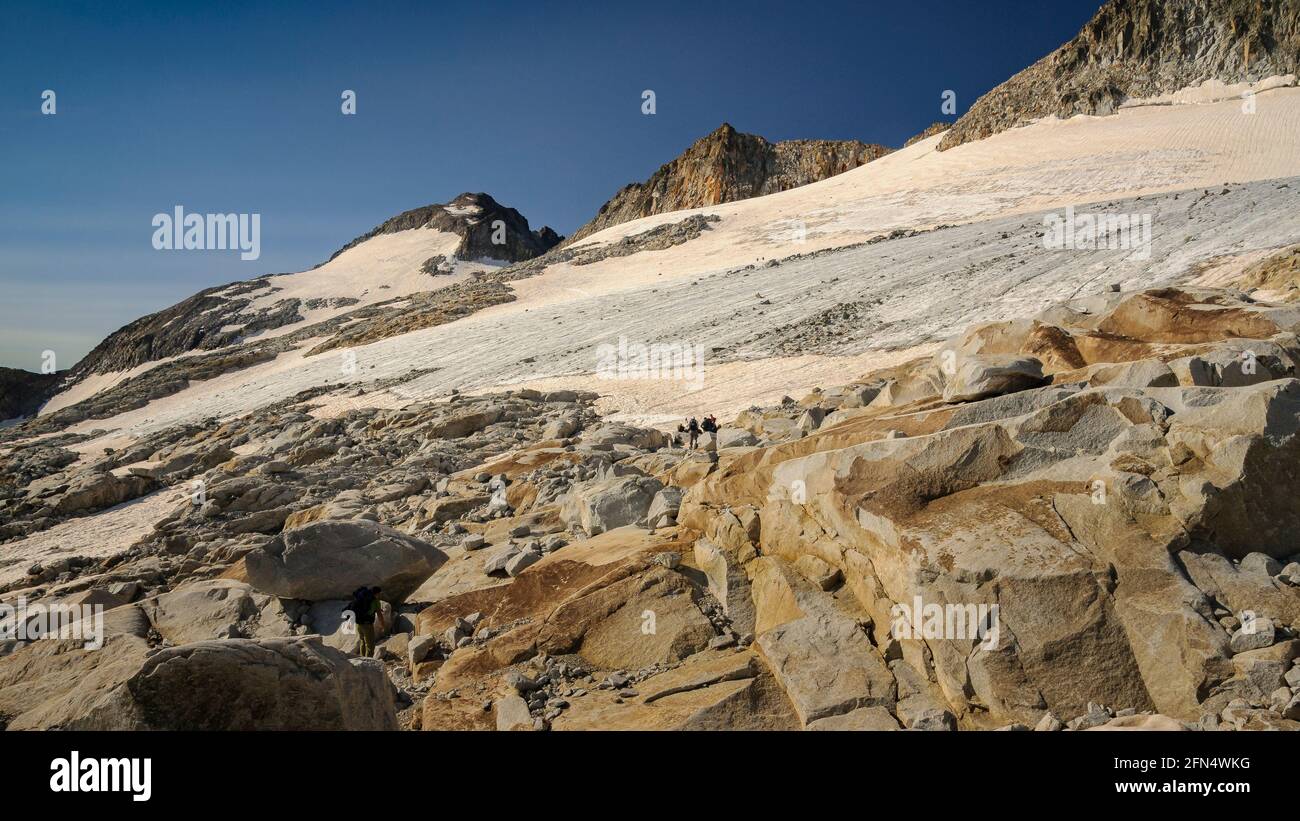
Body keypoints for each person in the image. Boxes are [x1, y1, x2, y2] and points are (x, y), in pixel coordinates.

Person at [344, 586, 385, 657]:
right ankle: (369, 661)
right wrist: (382, 625)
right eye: (379, 594)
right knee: (370, 645)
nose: (379, 595)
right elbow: (379, 615)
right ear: (377, 593)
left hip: (359, 623)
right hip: (367, 625)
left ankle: (362, 658)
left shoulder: (363, 598)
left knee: (362, 641)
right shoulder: (375, 601)